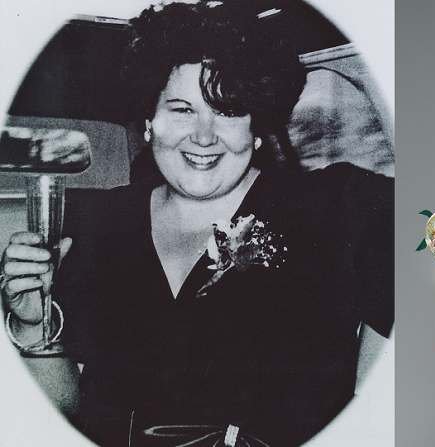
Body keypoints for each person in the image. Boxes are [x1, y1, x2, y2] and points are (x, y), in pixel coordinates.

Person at [0, 2, 393, 446]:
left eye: (227, 111)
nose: (204, 135)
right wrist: (33, 322)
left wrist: (370, 399)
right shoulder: (95, 224)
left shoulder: (335, 206)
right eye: (182, 109)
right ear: (149, 122)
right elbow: (65, 406)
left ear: (257, 128)